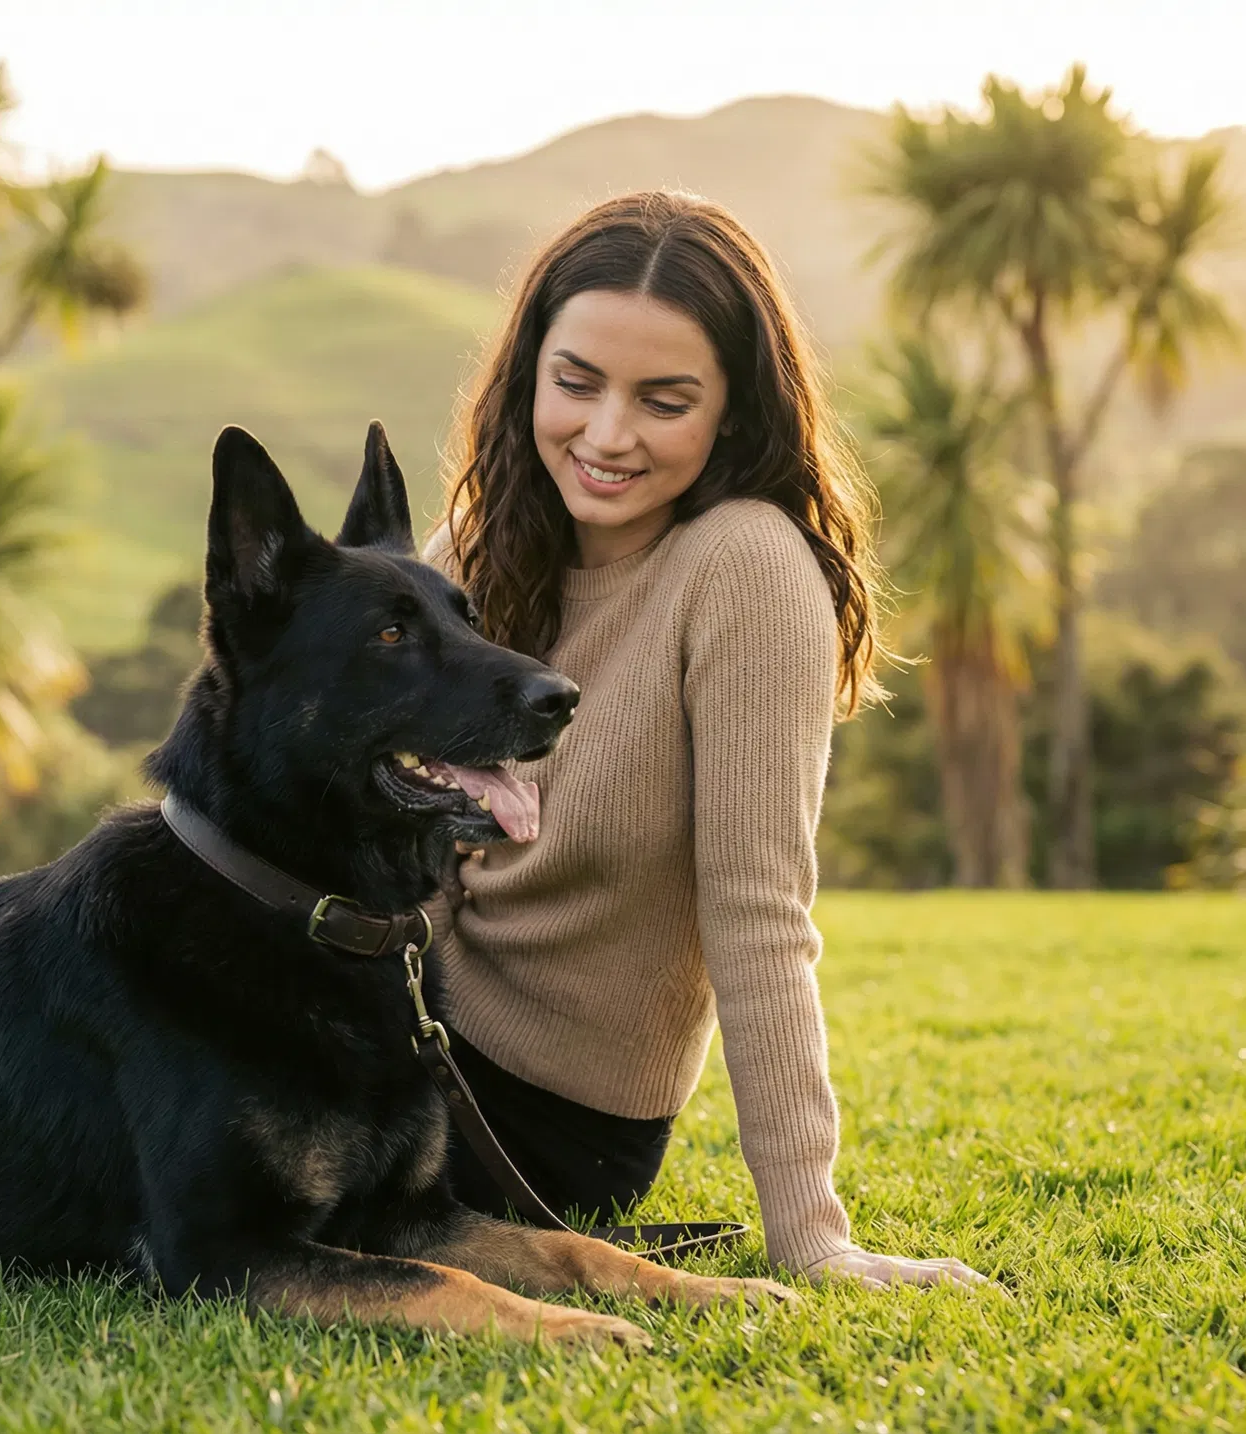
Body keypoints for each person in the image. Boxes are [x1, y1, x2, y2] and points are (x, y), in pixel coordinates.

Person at [420, 190, 987, 1288]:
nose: (607, 434)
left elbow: (758, 911)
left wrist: (813, 1240)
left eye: (663, 400)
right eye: (576, 383)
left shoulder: (744, 568)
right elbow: (403, 855)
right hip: (394, 1035)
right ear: (531, 370)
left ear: (732, 411)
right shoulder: (480, 541)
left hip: (535, 1113)